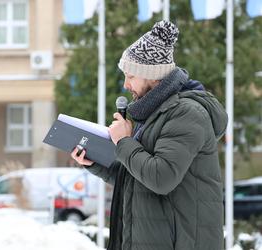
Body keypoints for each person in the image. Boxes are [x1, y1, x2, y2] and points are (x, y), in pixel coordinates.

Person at [71, 20, 228, 250]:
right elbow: (136, 180)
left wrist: (124, 142)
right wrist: (94, 161)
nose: (126, 84)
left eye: (131, 76)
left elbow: (161, 177)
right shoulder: (155, 115)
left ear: (153, 76)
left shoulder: (186, 113)